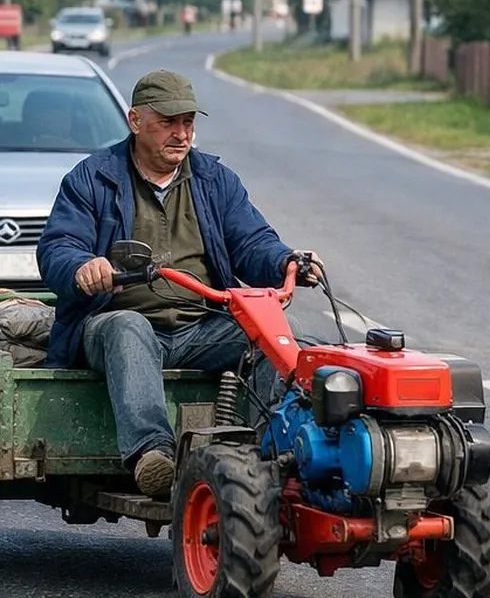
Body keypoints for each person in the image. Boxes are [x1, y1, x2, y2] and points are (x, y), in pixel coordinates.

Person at [36, 69, 323, 500]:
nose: (181, 133)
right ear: (135, 122)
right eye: (168, 122)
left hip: (201, 327)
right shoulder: (92, 178)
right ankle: (152, 455)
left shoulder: (214, 179)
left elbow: (252, 241)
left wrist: (287, 260)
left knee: (279, 333)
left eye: (188, 122)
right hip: (113, 323)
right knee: (126, 327)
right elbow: (57, 246)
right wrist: (82, 267)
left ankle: (268, 455)